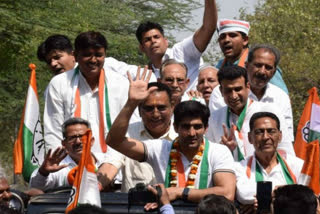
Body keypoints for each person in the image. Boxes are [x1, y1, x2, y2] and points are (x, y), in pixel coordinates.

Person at [106, 69, 236, 202]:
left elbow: (226, 194)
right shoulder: (160, 148)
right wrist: (131, 103)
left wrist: (179, 192)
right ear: (175, 127)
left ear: (206, 128)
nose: (192, 133)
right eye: (185, 127)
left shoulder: (219, 151)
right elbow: (114, 141)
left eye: (197, 127)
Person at [44, 31, 132, 153]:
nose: (93, 60)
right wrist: (60, 165)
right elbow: (53, 130)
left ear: (105, 55)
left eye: (98, 55)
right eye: (87, 55)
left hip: (114, 162)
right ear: (75, 56)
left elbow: (129, 129)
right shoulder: (59, 84)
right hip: (73, 164)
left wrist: (113, 163)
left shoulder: (121, 83)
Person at [99, 81, 177, 192]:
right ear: (139, 110)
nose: (155, 114)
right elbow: (111, 164)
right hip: (134, 206)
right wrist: (96, 186)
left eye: (161, 108)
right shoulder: (126, 133)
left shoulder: (183, 135)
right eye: (149, 108)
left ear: (172, 108)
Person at [206, 65, 295, 161]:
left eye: (237, 89)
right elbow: (209, 155)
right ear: (221, 91)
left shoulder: (269, 112)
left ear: (248, 87)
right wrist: (222, 150)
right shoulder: (214, 119)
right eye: (228, 91)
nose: (234, 96)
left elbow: (286, 153)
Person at [134, 0, 217, 91]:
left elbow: (208, 28)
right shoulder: (146, 75)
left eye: (156, 37)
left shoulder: (182, 51)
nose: (153, 41)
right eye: (147, 40)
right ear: (141, 48)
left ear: (166, 41)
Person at [234, 112, 303, 210]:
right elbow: (243, 193)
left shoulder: (297, 166)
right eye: (259, 132)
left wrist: (275, 193)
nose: (266, 137)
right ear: (249, 137)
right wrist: (288, 191)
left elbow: (307, 198)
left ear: (280, 136)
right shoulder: (239, 168)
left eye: (271, 131)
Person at [29, 118, 107, 192]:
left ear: (92, 141)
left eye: (82, 136)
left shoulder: (107, 162)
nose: (78, 142)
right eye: (72, 138)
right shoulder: (57, 166)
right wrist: (44, 171)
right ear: (64, 143)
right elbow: (35, 188)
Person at [215, 18, 288, 94]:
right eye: (222, 37)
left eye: (232, 35)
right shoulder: (219, 66)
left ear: (245, 40)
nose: (226, 40)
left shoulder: (261, 63)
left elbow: (282, 95)